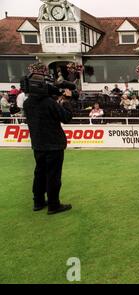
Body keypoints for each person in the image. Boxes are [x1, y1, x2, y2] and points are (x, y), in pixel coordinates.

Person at [23, 85, 74, 215]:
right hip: (53, 144)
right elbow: (67, 117)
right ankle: (54, 204)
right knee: (53, 175)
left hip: (38, 144)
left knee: (39, 173)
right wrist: (67, 101)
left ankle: (38, 201)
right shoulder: (49, 103)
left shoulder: (27, 102)